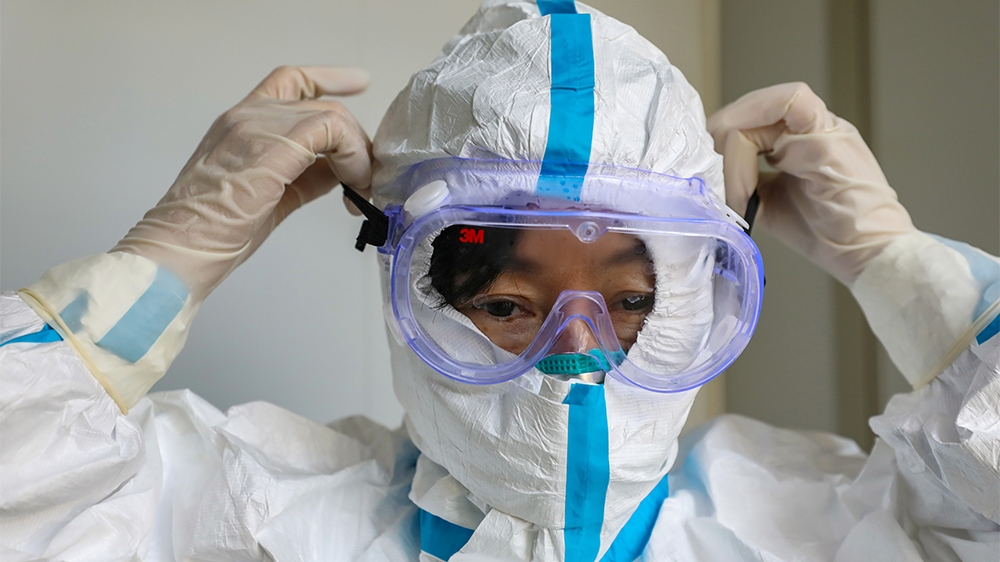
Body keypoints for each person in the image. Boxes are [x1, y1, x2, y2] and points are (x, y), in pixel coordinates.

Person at [1, 1, 997, 560]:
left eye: (629, 302)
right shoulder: (246, 509)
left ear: (695, 298)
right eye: (509, 306)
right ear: (416, 292)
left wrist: (901, 268)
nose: (577, 355)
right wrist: (166, 256)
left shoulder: (820, 523)